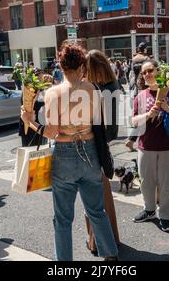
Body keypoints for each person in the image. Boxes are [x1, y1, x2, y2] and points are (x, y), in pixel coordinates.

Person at [21, 44, 118, 261]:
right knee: (96, 211)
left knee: (63, 218)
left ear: (61, 66)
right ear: (82, 66)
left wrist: (31, 122)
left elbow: (53, 133)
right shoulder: (92, 89)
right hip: (91, 151)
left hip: (64, 153)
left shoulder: (53, 93)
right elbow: (99, 121)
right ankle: (111, 256)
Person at [131, 61, 169, 232]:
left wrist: (167, 108)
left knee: (167, 183)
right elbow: (133, 121)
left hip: (168, 146)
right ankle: (149, 210)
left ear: (158, 72)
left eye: (150, 70)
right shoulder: (140, 96)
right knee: (146, 181)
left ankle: (165, 217)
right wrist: (148, 114)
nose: (147, 74)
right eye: (144, 72)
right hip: (145, 145)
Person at [84, 49, 121, 255]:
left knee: (96, 201)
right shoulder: (100, 87)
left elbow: (111, 131)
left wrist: (90, 133)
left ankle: (100, 243)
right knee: (98, 200)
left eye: (89, 71)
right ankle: (100, 241)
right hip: (95, 149)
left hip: (96, 150)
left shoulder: (108, 89)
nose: (87, 75)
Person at [126, 43, 150, 150]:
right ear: (145, 49)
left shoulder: (134, 59)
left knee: (141, 115)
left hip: (136, 88)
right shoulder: (146, 58)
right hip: (145, 88)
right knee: (143, 115)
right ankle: (131, 140)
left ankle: (131, 140)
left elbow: (129, 74)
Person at [18, 68, 48, 147]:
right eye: (39, 78)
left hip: (41, 124)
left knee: (42, 151)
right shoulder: (28, 90)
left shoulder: (43, 90)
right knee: (29, 151)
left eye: (42, 78)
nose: (41, 80)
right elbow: (25, 104)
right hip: (28, 125)